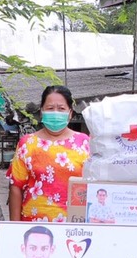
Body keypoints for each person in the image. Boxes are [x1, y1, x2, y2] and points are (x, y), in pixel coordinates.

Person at [8, 86, 91, 222]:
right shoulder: (28, 143)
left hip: (74, 225)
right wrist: (14, 227)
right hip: (34, 226)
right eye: (50, 108)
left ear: (70, 113)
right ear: (42, 112)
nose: (56, 113)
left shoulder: (84, 143)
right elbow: (16, 187)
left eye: (61, 108)